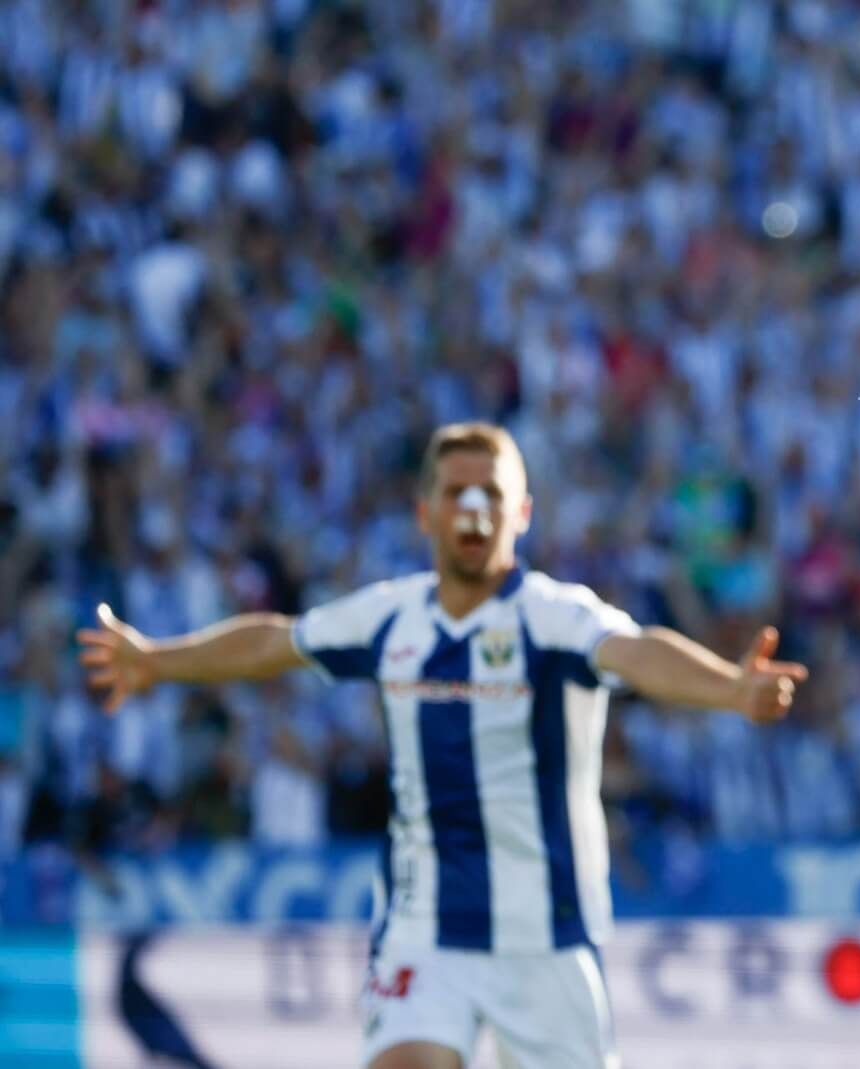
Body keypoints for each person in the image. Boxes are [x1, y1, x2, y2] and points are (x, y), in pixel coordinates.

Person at [78, 421, 808, 1069]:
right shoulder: (391, 618)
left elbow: (638, 651)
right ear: (426, 512)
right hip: (422, 929)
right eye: (456, 492)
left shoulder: (555, 618)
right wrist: (157, 658)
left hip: (545, 940)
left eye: (491, 492)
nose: (473, 508)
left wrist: (729, 690)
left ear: (520, 512)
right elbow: (277, 639)